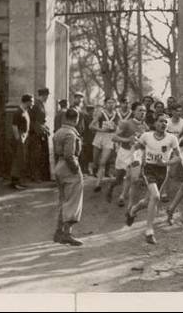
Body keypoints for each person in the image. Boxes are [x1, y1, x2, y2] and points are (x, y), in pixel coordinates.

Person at [125, 113, 181, 243]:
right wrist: (133, 160)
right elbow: (135, 148)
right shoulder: (146, 136)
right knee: (156, 197)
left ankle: (133, 210)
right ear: (155, 123)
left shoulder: (172, 138)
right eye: (161, 121)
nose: (163, 124)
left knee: (148, 201)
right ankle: (149, 231)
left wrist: (166, 163)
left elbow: (179, 157)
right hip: (149, 169)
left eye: (166, 122)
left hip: (162, 171)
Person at [105, 102, 149, 208]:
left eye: (144, 111)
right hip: (124, 153)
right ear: (133, 111)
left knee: (130, 176)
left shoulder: (145, 126)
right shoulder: (126, 123)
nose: (142, 113)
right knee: (118, 179)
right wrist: (127, 139)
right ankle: (111, 186)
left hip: (136, 154)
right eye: (140, 110)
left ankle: (122, 196)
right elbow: (114, 138)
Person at [52, 108, 85, 246]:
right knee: (73, 201)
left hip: (59, 166)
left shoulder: (58, 132)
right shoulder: (71, 134)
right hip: (69, 167)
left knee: (63, 199)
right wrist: (76, 169)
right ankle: (67, 233)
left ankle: (58, 232)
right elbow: (69, 155)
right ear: (76, 119)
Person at [159, 102, 183, 202]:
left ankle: (164, 189)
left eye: (180, 111)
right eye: (176, 111)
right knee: (165, 171)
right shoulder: (166, 122)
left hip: (178, 149)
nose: (179, 113)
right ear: (172, 112)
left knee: (172, 173)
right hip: (166, 149)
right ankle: (163, 193)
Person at [91, 97, 120, 192]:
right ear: (105, 104)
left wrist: (115, 128)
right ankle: (95, 168)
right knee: (95, 161)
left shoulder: (117, 115)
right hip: (99, 136)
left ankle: (97, 184)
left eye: (112, 103)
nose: (111, 105)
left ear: (115, 104)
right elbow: (91, 126)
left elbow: (119, 128)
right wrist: (101, 129)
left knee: (102, 162)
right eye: (109, 103)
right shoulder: (101, 113)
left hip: (109, 138)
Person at [10, 94, 33, 190]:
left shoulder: (25, 111)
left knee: (21, 160)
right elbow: (14, 127)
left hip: (24, 137)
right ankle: (15, 182)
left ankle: (19, 181)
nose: (32, 103)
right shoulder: (18, 112)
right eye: (31, 101)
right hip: (20, 138)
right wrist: (18, 139)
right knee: (18, 159)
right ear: (26, 101)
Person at [28, 87, 51, 181]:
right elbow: (33, 121)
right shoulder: (36, 105)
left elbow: (42, 120)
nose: (47, 97)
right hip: (36, 133)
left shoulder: (42, 104)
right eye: (46, 95)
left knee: (42, 154)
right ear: (43, 95)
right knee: (36, 155)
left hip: (42, 132)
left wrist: (45, 128)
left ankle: (43, 176)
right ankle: (35, 176)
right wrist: (41, 129)